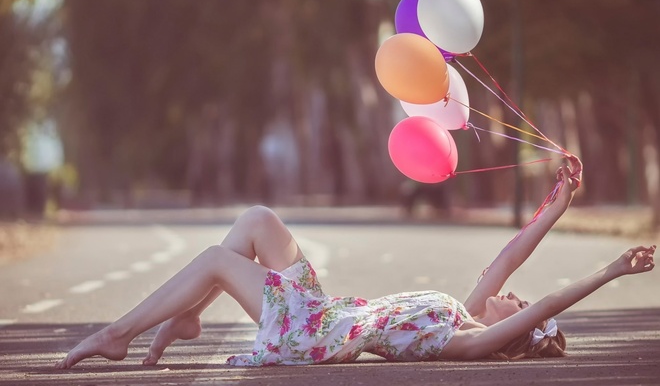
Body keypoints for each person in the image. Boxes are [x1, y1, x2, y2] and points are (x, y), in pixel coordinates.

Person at [55, 158, 655, 368]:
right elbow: (508, 255)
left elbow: (547, 305)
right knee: (258, 219)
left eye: (519, 309)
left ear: (516, 331)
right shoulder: (463, 314)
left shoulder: (468, 343)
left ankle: (117, 335)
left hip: (311, 338)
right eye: (516, 301)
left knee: (217, 257)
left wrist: (610, 272)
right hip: (322, 313)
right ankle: (183, 320)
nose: (513, 297)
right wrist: (561, 201)